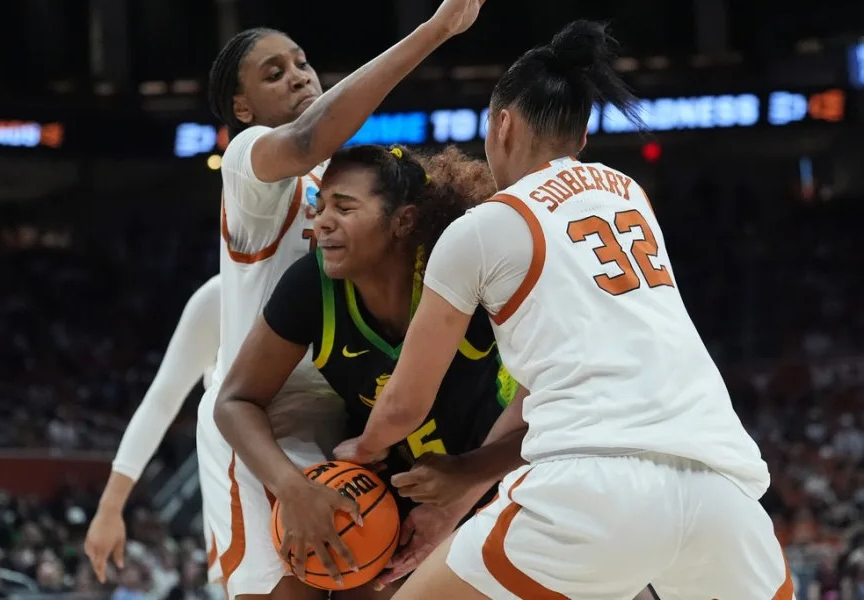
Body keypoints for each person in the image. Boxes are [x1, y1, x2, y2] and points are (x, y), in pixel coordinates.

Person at [335, 20, 794, 600]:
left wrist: (362, 451)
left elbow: (404, 403)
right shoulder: (630, 195)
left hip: (593, 490)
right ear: (580, 141)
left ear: (500, 125)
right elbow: (554, 381)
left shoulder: (484, 226)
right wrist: (469, 480)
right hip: (720, 488)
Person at [197, 2, 489, 599]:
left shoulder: (339, 181)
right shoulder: (249, 162)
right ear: (242, 109)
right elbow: (306, 137)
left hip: (345, 415)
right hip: (258, 420)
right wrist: (435, 31)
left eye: (302, 63)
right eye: (274, 73)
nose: (300, 76)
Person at [215, 144, 527, 599]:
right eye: (319, 206)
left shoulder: (466, 274)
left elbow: (554, 411)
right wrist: (290, 486)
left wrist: (466, 478)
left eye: (344, 207)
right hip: (400, 503)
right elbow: (234, 401)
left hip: (502, 475)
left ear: (402, 221)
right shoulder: (312, 286)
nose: (321, 221)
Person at [84, 274, 220, 583]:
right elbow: (161, 402)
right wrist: (110, 506)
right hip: (234, 482)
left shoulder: (338, 286)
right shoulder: (219, 295)